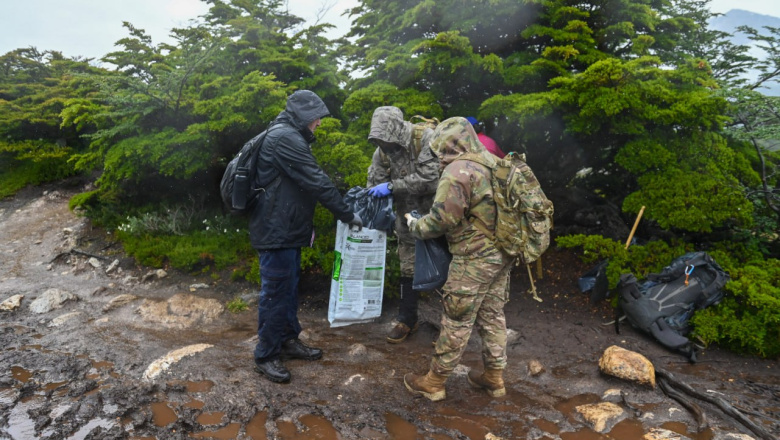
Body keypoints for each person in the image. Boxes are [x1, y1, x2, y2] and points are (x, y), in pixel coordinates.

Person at [250, 90, 363, 383]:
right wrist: (347, 214)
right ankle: (266, 355)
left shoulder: (287, 134)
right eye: (317, 117)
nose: (320, 123)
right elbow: (316, 180)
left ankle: (287, 340)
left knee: (288, 288)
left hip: (286, 228)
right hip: (277, 231)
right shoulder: (284, 138)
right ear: (303, 116)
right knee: (275, 292)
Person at [403, 117, 514, 401]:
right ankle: (494, 378)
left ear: (446, 142)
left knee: (456, 318)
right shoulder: (492, 162)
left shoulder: (458, 170)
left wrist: (414, 225)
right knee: (492, 316)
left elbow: (442, 220)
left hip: (473, 258)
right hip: (502, 252)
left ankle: (434, 382)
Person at [366, 106, 439, 343]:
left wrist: (392, 186)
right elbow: (375, 181)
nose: (384, 146)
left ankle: (453, 326)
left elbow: (432, 178)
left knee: (448, 265)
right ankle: (408, 319)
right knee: (408, 268)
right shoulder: (382, 152)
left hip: (439, 216)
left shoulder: (425, 139)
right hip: (406, 218)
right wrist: (373, 195)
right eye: (379, 141)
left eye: (385, 140)